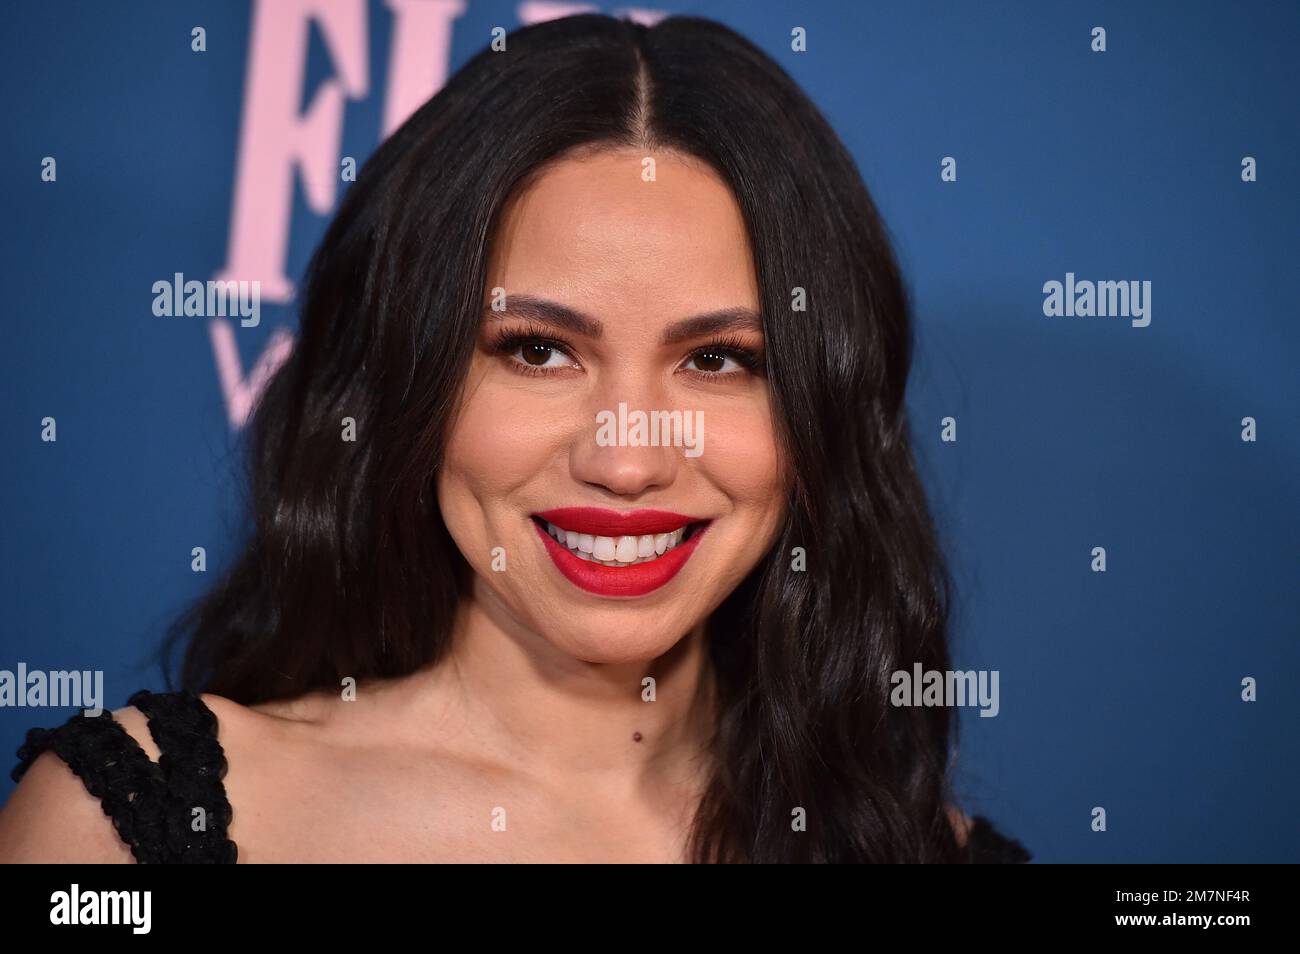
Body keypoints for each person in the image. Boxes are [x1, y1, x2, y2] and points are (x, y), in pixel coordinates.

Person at [0, 13, 1029, 864]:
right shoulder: (125, 831)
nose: (625, 459)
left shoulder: (929, 855)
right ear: (411, 383)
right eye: (537, 350)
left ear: (819, 415)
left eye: (718, 360)